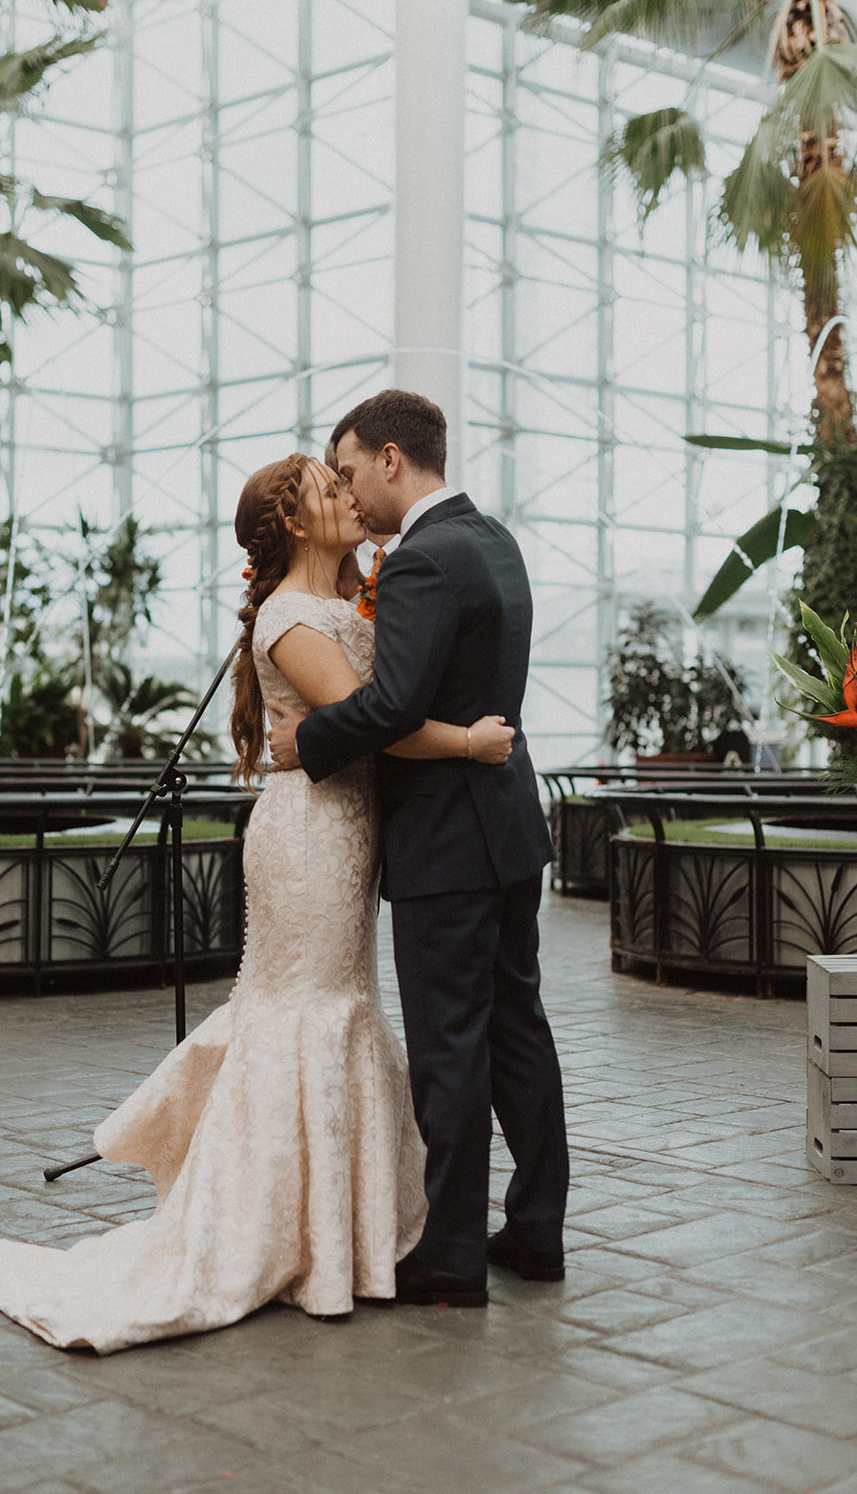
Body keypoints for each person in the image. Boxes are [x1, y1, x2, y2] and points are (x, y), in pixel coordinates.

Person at [0, 450, 513, 1351]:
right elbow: (371, 716)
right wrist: (466, 742)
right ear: (297, 523)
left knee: (338, 1008)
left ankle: (333, 1230)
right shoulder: (289, 615)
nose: (348, 495)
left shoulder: (348, 602)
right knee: (300, 1012)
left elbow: (369, 703)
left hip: (348, 834)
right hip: (307, 835)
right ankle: (270, 1233)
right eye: (327, 489)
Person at [268, 389, 569, 1307]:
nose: (350, 496)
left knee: (449, 1048)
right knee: (518, 1027)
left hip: (448, 842)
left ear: (392, 458)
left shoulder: (419, 564)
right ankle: (536, 1229)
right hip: (509, 830)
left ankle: (449, 1256)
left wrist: (303, 745)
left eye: (352, 471)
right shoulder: (494, 540)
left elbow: (394, 705)